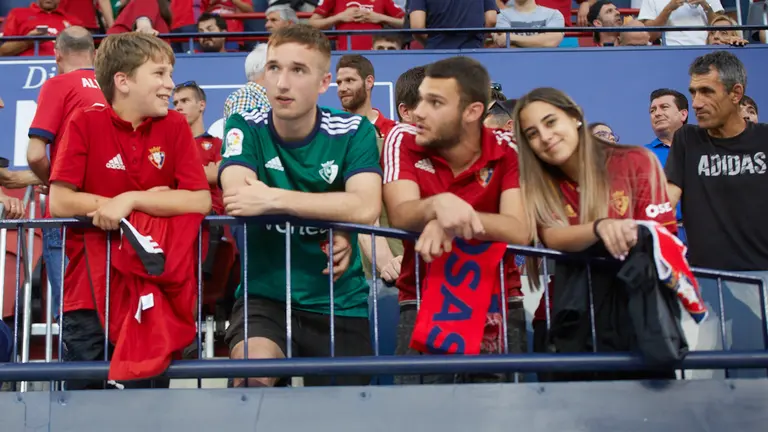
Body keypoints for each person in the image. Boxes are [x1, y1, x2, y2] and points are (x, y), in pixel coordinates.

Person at [218, 24, 382, 388]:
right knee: (250, 379)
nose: (281, 83)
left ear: (324, 83)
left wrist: (274, 198)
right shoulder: (244, 124)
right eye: (274, 68)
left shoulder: (354, 131)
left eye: (298, 70)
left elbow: (366, 206)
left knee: (343, 413)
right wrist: (333, 211)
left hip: (337, 300)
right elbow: (238, 196)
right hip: (265, 299)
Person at [48, 32, 211, 390]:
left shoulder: (174, 126)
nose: (170, 85)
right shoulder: (84, 121)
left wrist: (131, 201)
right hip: (88, 293)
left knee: (146, 412)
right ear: (123, 81)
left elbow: (199, 200)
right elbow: (59, 201)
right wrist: (145, 200)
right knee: (82, 411)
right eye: (159, 74)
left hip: (152, 292)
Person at [382, 56, 531, 384]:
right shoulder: (402, 138)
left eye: (435, 102)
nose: (418, 111)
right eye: (420, 99)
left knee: (504, 419)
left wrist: (449, 218)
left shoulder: (507, 147)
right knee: (420, 419)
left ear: (472, 112)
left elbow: (519, 229)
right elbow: (401, 214)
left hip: (500, 301)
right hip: (421, 300)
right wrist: (439, 204)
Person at [513, 87, 677, 381]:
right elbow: (552, 236)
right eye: (532, 133)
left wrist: (630, 232)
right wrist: (601, 228)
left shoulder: (636, 161)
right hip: (567, 317)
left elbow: (664, 237)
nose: (545, 137)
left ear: (575, 117)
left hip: (638, 313)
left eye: (551, 122)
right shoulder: (536, 181)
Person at [665, 51, 768, 379]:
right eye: (693, 92)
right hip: (708, 282)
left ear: (735, 94)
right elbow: (667, 200)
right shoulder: (687, 140)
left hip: (765, 278)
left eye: (706, 91)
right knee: (707, 384)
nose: (696, 103)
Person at [26, 27, 107, 318]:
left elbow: (35, 154)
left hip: (68, 213)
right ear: (95, 53)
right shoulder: (115, 86)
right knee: (112, 311)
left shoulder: (57, 85)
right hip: (112, 209)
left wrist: (54, 184)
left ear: (56, 53)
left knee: (75, 316)